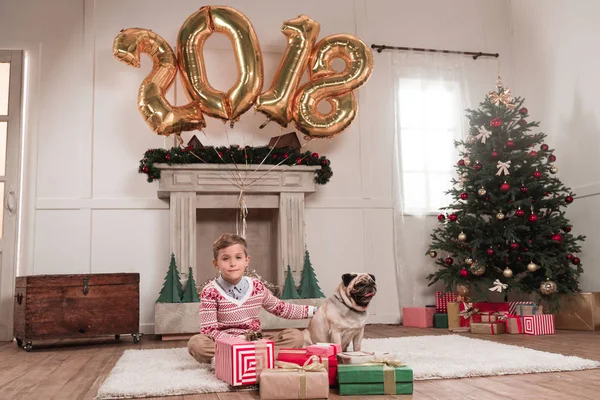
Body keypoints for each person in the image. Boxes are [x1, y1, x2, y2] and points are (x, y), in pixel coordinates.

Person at [187, 232, 317, 364]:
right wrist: (237, 342)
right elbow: (209, 330)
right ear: (216, 264)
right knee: (197, 343)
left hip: (254, 342)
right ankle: (249, 357)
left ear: (246, 261)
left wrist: (314, 311)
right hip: (225, 343)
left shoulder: (256, 286)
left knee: (295, 336)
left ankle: (238, 359)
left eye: (238, 257)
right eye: (225, 259)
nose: (232, 263)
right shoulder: (210, 291)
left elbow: (281, 308)